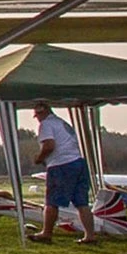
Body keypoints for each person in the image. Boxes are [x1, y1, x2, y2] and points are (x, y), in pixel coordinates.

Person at [31, 102, 97, 243]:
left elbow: (49, 145)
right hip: (78, 162)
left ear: (42, 113)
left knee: (52, 201)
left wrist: (39, 158)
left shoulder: (46, 125)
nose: (37, 119)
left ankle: (46, 233)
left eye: (37, 116)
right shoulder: (62, 123)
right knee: (81, 202)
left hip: (61, 165)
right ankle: (90, 235)